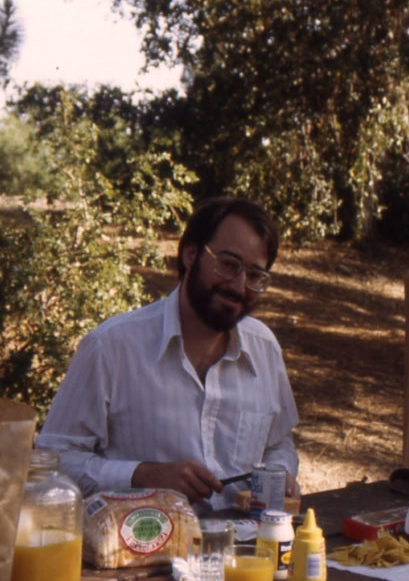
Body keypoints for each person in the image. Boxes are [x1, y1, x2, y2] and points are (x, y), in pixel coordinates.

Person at [35, 196, 300, 510]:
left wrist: (280, 473)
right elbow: (52, 463)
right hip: (142, 550)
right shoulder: (110, 348)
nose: (239, 285)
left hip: (251, 552)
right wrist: (142, 475)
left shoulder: (264, 348)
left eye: (255, 276)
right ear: (190, 255)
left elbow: (279, 444)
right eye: (228, 265)